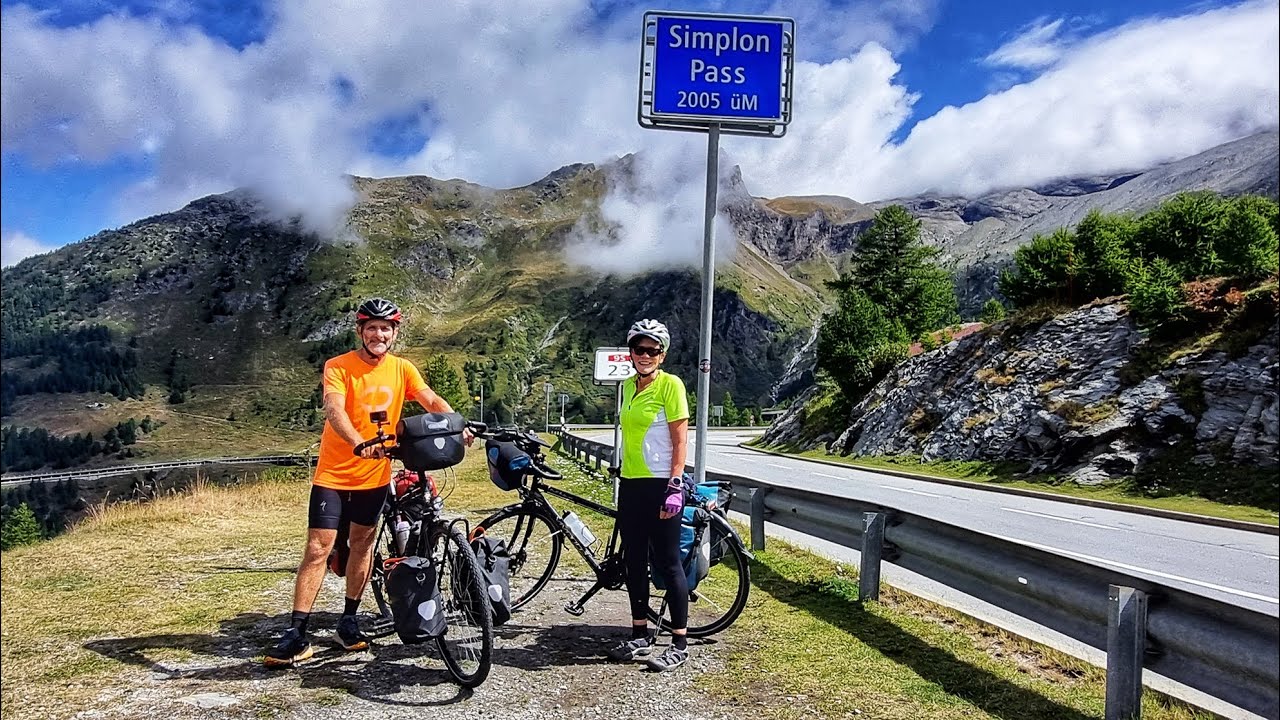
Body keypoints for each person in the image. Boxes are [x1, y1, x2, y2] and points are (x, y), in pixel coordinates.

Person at [265, 297, 464, 667]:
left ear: (394, 333)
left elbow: (430, 399)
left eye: (385, 328)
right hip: (334, 473)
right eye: (371, 328)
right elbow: (335, 409)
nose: (378, 334)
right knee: (318, 548)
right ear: (361, 331)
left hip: (374, 476)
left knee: (362, 544)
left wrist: (455, 425)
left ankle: (348, 621)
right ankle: (296, 632)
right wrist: (359, 442)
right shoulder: (339, 366)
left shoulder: (402, 369)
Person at [605, 318, 692, 672]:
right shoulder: (627, 387)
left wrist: (675, 483)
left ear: (662, 355)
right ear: (631, 352)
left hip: (661, 485)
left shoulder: (671, 386)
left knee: (669, 563)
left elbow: (680, 441)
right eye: (639, 349)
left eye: (652, 351)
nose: (645, 355)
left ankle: (680, 643)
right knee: (634, 561)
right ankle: (640, 634)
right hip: (632, 484)